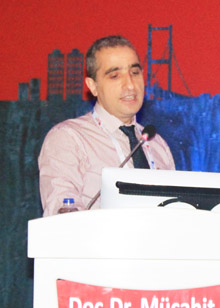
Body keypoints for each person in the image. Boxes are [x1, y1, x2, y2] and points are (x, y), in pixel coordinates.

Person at [38, 35, 175, 216]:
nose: (130, 85)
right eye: (115, 76)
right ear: (92, 86)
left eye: (135, 73)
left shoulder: (157, 144)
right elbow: (62, 213)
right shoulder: (68, 138)